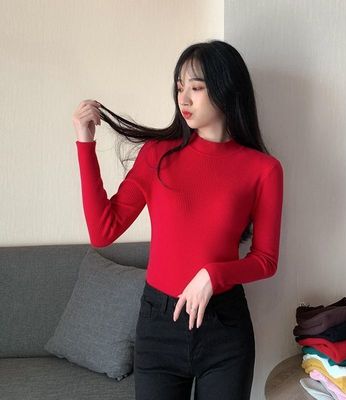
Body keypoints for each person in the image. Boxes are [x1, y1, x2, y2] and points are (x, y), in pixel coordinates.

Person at [72, 39, 284, 400]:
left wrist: (213, 274)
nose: (183, 98)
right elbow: (102, 231)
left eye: (196, 88)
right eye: (179, 86)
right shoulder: (157, 155)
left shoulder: (263, 170)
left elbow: (266, 260)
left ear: (226, 89)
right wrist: (85, 143)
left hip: (224, 329)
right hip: (159, 326)